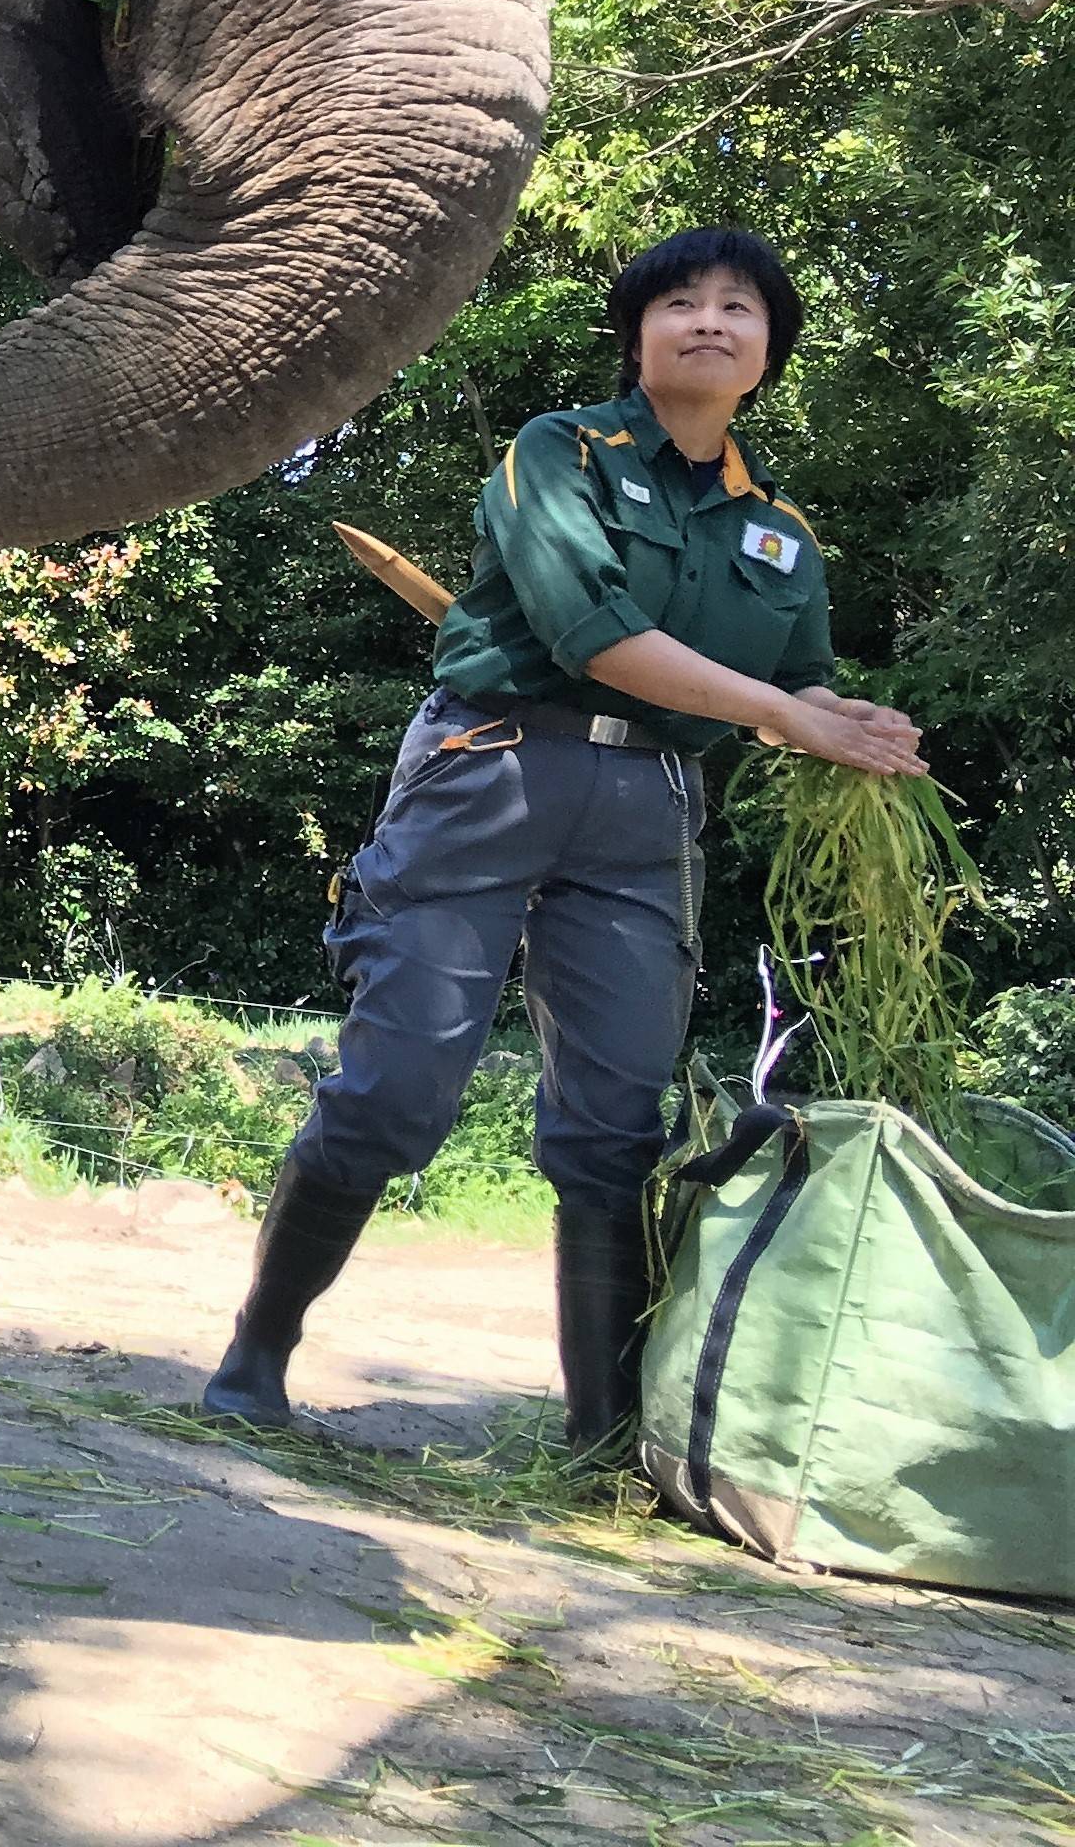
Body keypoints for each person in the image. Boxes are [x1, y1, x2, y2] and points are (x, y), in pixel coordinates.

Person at [204, 227, 925, 1454]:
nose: (709, 320)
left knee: (616, 1124)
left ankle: (601, 1438)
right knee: (398, 1085)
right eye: (681, 301)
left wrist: (848, 720)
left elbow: (797, 685)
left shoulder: (783, 536)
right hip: (492, 770)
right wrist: (782, 711)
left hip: (648, 812)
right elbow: (595, 636)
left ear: (769, 350)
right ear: (636, 334)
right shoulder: (562, 454)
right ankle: (254, 1361)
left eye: (739, 308)